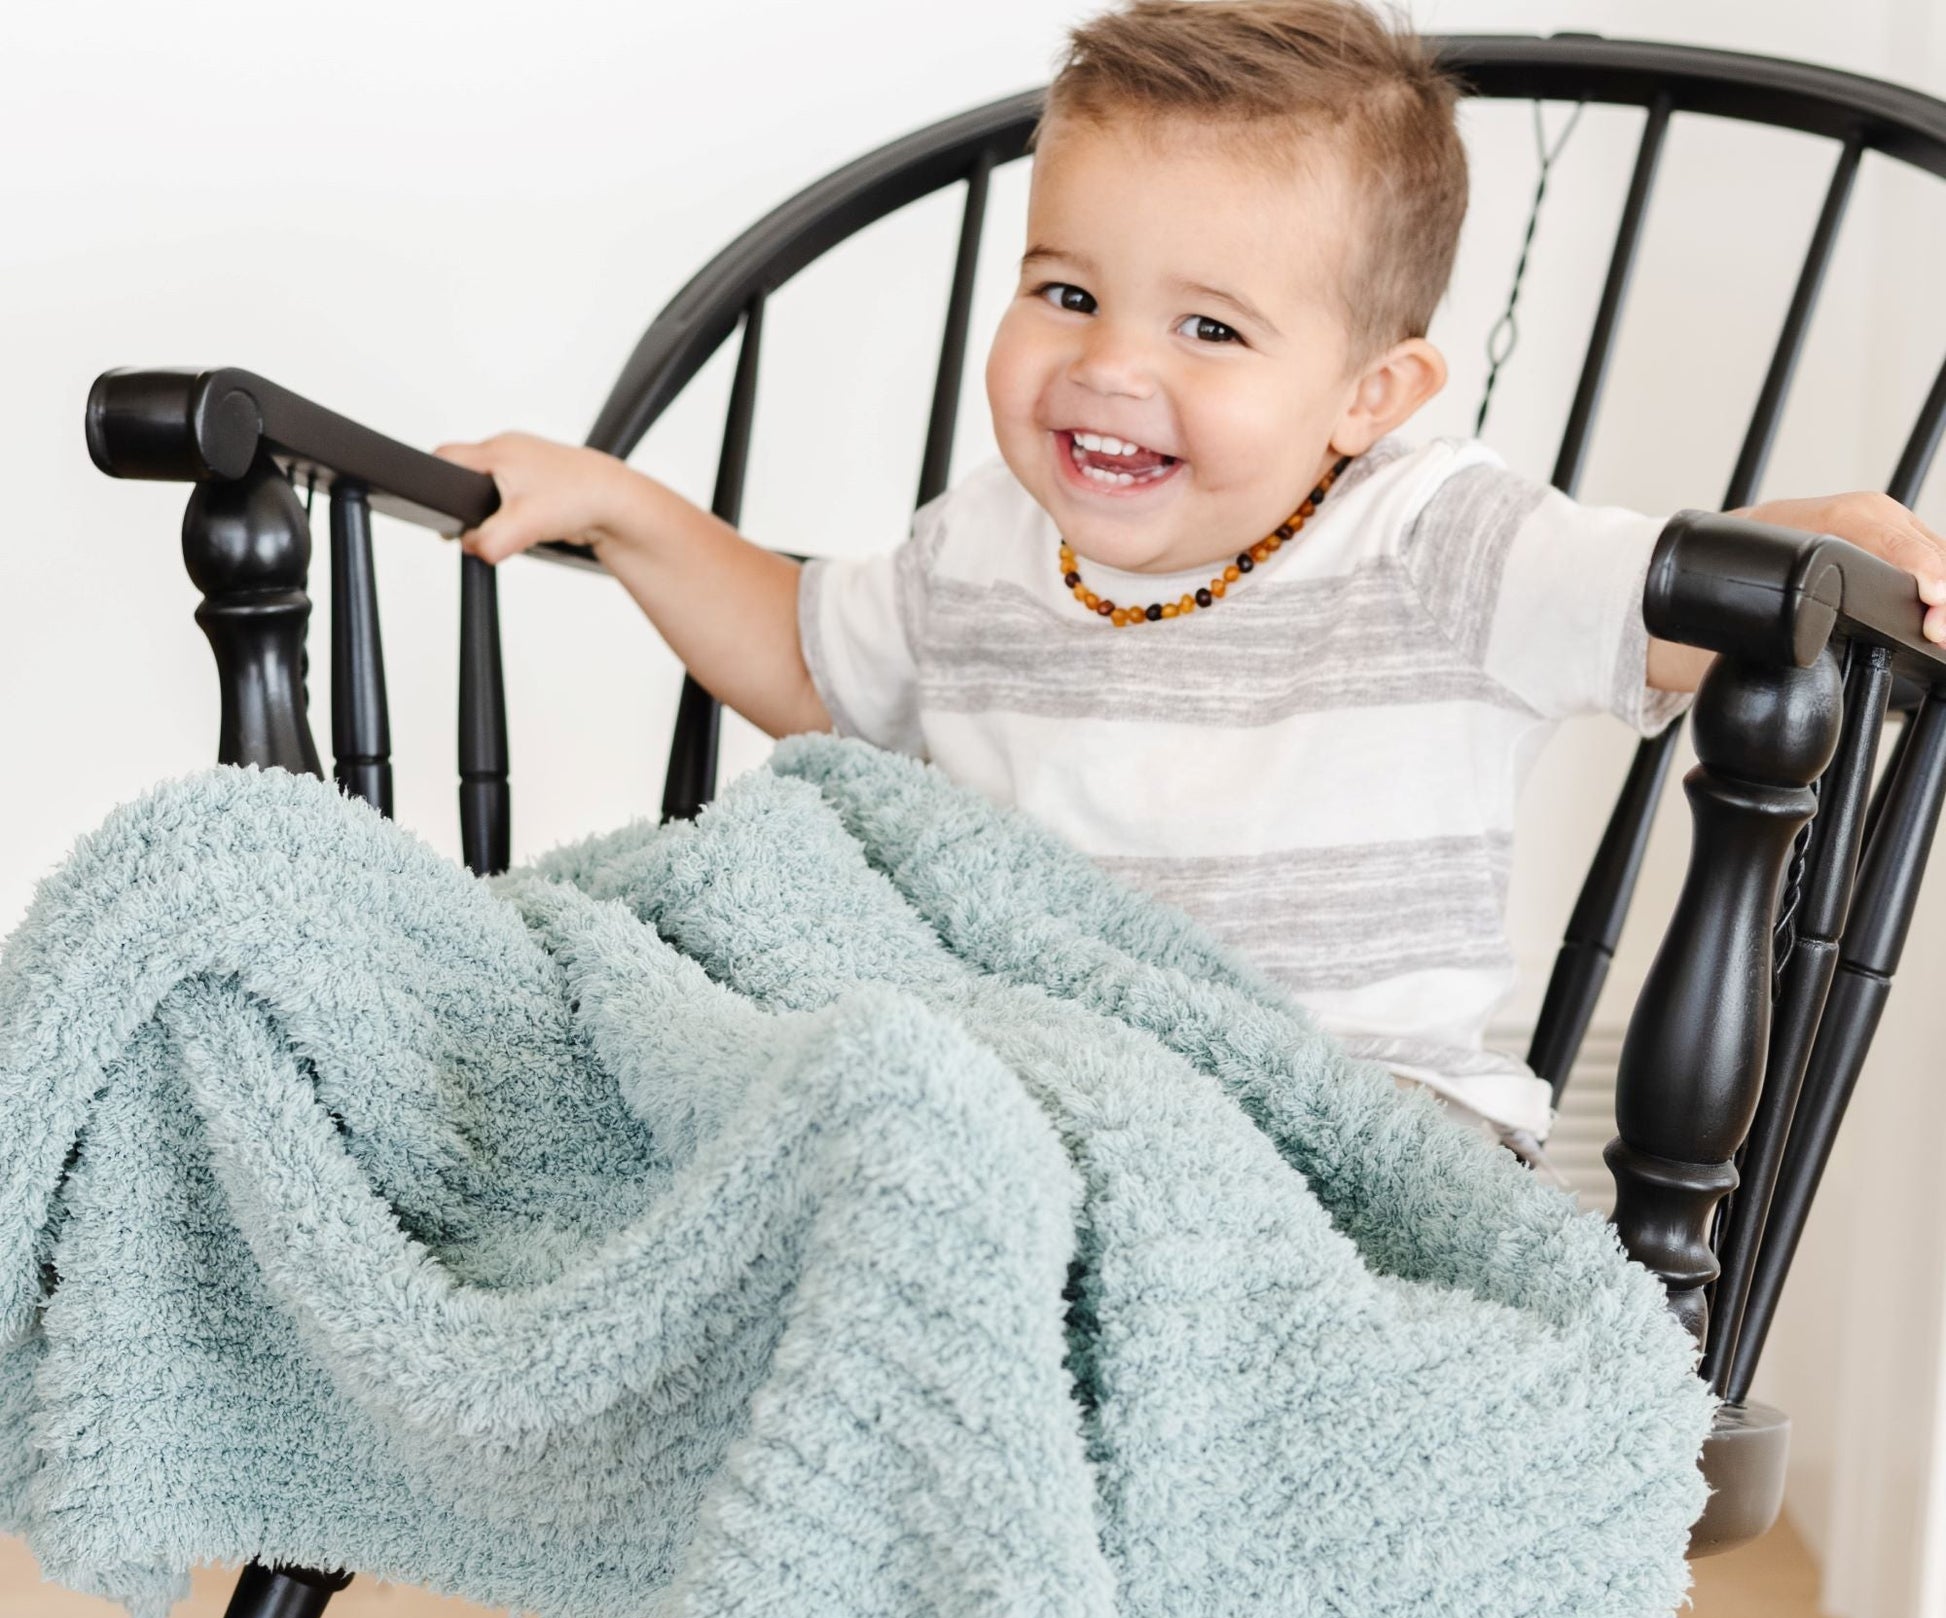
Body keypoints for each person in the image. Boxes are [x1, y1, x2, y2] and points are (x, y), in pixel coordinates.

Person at [436, 0, 1946, 1148]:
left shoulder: (1437, 540)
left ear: (1369, 394)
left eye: (1207, 330)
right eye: (1066, 292)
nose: (1107, 367)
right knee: (836, 1093)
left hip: (1355, 1126)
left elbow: (1671, 613)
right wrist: (631, 512)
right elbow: (810, 662)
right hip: (1038, 1108)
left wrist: (1815, 543)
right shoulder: (983, 545)